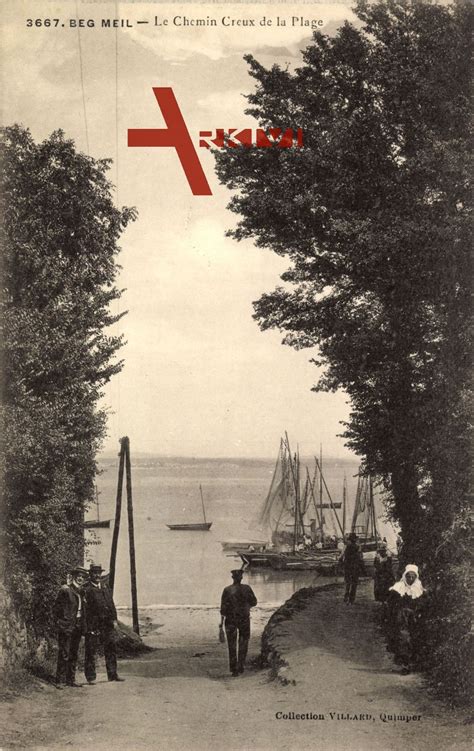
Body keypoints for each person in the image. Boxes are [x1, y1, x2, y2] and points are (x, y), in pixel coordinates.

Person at [84, 563, 124, 684]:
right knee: (91, 650)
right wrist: (88, 626)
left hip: (107, 624)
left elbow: (111, 605)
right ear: (90, 574)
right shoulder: (87, 589)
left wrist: (114, 620)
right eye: (94, 573)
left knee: (110, 648)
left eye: (98, 573)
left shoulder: (105, 587)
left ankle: (112, 674)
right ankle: (91, 677)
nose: (97, 575)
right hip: (94, 625)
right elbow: (85, 610)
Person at [385, 564, 425, 674]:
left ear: (416, 577)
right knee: (403, 639)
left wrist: (418, 612)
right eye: (408, 576)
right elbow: (391, 604)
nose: (410, 579)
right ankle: (405, 665)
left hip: (415, 619)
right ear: (405, 576)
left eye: (413, 577)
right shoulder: (398, 587)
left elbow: (423, 604)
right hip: (401, 618)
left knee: (415, 640)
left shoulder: (419, 588)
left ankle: (413, 664)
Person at [54, 565, 88, 688]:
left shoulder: (82, 592)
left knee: (74, 653)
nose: (81, 579)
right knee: (64, 652)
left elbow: (83, 611)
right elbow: (57, 608)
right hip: (66, 626)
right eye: (79, 576)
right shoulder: (65, 590)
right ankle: (59, 680)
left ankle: (71, 679)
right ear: (74, 577)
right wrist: (61, 622)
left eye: (83, 577)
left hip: (77, 627)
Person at [220, 569, 257, 676]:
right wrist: (246, 606)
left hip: (230, 619)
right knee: (243, 642)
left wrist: (221, 622)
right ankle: (241, 665)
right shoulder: (247, 588)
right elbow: (254, 602)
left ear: (233, 578)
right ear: (241, 578)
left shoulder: (227, 590)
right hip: (244, 618)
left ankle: (234, 669)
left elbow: (223, 609)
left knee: (231, 644)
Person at [339, 532, 364, 604]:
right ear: (355, 540)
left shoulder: (346, 547)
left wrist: (341, 562)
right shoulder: (357, 547)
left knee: (347, 582)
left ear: (350, 539)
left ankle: (346, 597)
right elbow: (360, 558)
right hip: (355, 567)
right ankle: (351, 599)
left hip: (347, 566)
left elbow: (341, 557)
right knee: (354, 583)